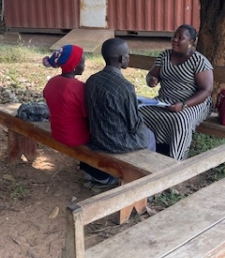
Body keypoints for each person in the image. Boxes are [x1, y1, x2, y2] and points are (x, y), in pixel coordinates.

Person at [42, 44, 114, 185]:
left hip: (57, 132)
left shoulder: (51, 82)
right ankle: (101, 175)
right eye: (83, 62)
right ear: (74, 67)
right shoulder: (79, 88)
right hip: (75, 138)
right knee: (106, 133)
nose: (85, 65)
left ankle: (88, 168)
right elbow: (89, 115)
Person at [140, 24, 214, 161]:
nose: (175, 40)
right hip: (165, 100)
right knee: (140, 112)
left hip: (195, 102)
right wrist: (152, 79)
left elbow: (206, 90)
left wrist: (184, 104)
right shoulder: (164, 56)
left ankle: (175, 162)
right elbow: (151, 74)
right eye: (174, 36)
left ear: (191, 42)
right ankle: (150, 152)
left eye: (180, 38)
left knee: (180, 120)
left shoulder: (199, 61)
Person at [85, 38, 156, 156]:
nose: (129, 57)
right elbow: (133, 125)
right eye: (127, 54)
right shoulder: (126, 87)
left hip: (97, 138)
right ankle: (146, 170)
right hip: (116, 143)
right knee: (149, 135)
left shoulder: (92, 80)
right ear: (122, 59)